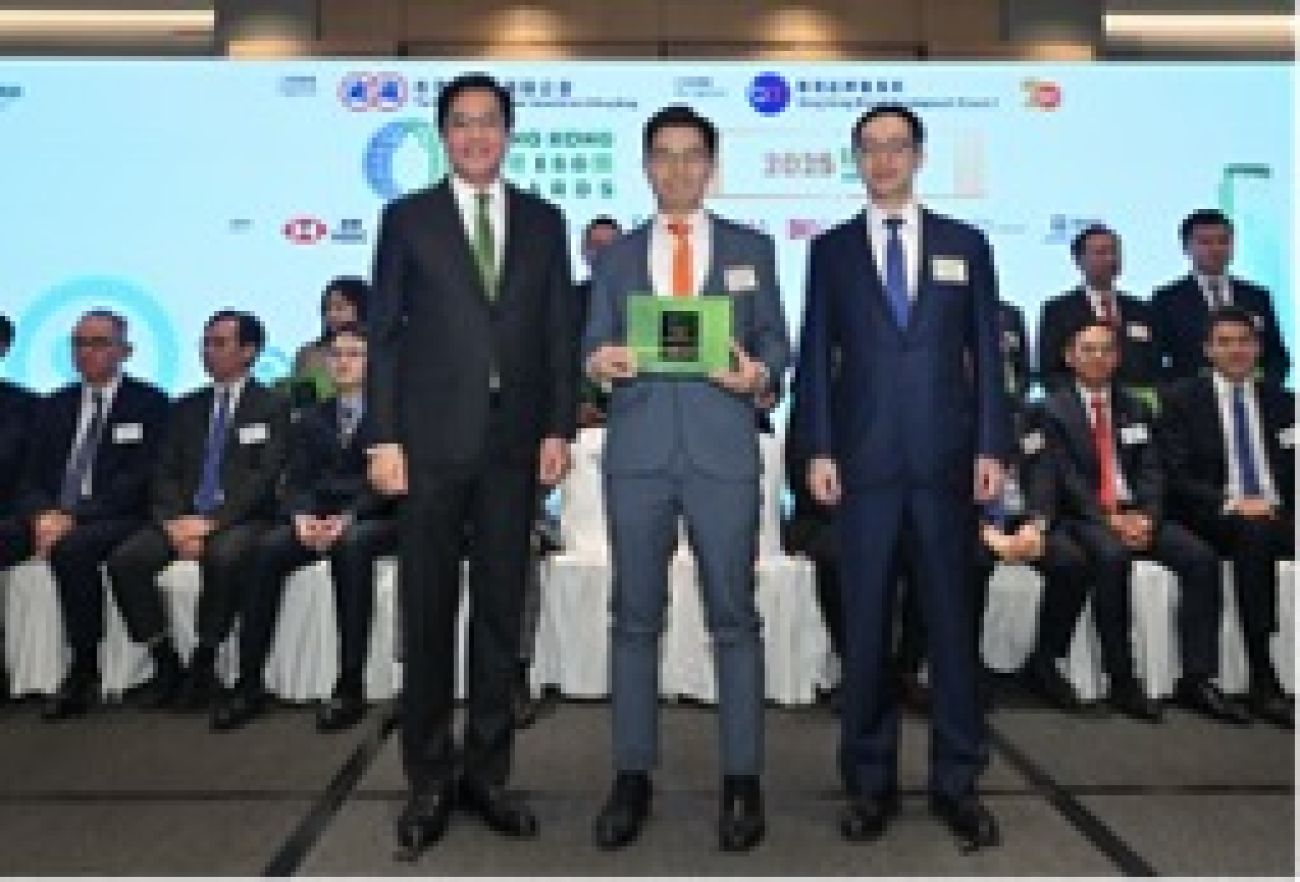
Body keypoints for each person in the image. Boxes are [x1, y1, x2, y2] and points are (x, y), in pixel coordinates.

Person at [366, 72, 575, 856]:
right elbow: (385, 335)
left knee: (498, 612)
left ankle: (489, 774)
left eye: (489, 121)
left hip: (513, 446)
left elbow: (558, 333)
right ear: (443, 134)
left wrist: (557, 427)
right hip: (427, 447)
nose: (476, 135)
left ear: (508, 133)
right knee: (427, 614)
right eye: (461, 122)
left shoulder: (544, 221)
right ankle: (427, 778)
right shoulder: (408, 218)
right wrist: (384, 438)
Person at [792, 104, 1009, 850]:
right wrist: (817, 448)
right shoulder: (831, 251)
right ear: (855, 159)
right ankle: (869, 783)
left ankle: (958, 782)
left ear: (918, 156)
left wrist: (992, 446)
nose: (883, 160)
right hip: (862, 471)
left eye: (896, 147)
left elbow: (988, 356)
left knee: (952, 630)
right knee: (865, 633)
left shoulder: (964, 244)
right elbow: (815, 357)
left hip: (947, 468)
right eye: (870, 148)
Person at [584, 104, 790, 853]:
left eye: (691, 155)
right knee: (634, 619)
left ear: (712, 165)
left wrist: (758, 375)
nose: (677, 169)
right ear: (646, 166)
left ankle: (742, 779)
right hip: (638, 456)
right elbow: (590, 343)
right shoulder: (615, 255)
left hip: (722, 454)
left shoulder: (751, 250)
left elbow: (777, 343)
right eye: (664, 155)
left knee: (734, 618)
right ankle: (631, 775)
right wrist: (598, 363)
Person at [1041, 319, 1248, 725]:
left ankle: (1197, 677)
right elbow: (1065, 478)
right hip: (1084, 517)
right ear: (1069, 357)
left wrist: (1148, 516)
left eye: (1106, 349)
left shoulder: (1136, 407)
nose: (1098, 357)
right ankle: (1121, 678)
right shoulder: (1050, 410)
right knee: (1111, 557)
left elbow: (1153, 469)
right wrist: (1110, 518)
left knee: (1200, 559)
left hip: (1139, 513)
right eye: (1088, 349)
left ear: (1118, 357)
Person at [213, 322, 397, 731]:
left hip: (377, 517)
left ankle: (349, 685)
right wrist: (300, 516)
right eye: (337, 355)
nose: (343, 362)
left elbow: (388, 484)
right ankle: (249, 683)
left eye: (354, 354)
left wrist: (349, 517)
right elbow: (296, 480)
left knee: (352, 546)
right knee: (266, 549)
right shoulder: (312, 418)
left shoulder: (394, 415)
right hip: (318, 517)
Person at [107, 310, 289, 721]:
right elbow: (164, 471)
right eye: (206, 342)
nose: (208, 351)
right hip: (181, 517)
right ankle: (165, 662)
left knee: (224, 557)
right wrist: (173, 522)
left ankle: (204, 662)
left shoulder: (272, 406)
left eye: (220, 343)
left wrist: (214, 522)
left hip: (241, 518)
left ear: (249, 351)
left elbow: (264, 477)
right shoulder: (186, 406)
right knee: (126, 561)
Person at [14, 310, 169, 719]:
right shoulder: (52, 406)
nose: (86, 352)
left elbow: (139, 479)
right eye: (79, 343)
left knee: (72, 548)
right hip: (53, 515)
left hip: (120, 515)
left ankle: (83, 666)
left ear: (124, 350)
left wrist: (73, 516)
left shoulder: (149, 403)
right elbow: (29, 476)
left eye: (99, 343)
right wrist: (41, 514)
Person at [1158, 307, 1294, 728]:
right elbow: (1177, 475)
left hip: (1278, 512)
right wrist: (1235, 502)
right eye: (1225, 342)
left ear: (1258, 348)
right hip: (1213, 513)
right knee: (1255, 533)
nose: (1236, 350)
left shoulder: (1284, 402)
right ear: (1208, 350)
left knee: (1262, 528)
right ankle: (1262, 673)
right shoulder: (1182, 400)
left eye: (1244, 342)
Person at [1152, 209, 1289, 384]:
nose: (1216, 249)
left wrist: (1264, 387)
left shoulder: (1257, 296)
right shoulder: (1166, 299)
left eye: (1223, 241)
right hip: (1191, 395)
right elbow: (1156, 359)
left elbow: (1277, 356)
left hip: (1251, 393)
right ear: (1186, 247)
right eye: (1205, 242)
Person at [1037, 225, 1161, 395]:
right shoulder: (1058, 310)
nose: (1110, 259)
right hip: (1079, 404)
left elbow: (1154, 363)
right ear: (1079, 260)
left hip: (1135, 403)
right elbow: (1050, 370)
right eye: (1101, 252)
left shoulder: (1140, 309)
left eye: (1115, 252)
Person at [575, 215, 623, 428]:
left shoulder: (647, 303)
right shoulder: (566, 301)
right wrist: (577, 403)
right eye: (596, 245)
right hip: (580, 421)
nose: (603, 253)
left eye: (611, 246)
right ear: (584, 252)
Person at [289, 277, 370, 401]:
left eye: (339, 308)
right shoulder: (309, 353)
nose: (332, 314)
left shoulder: (378, 349)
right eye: (327, 309)